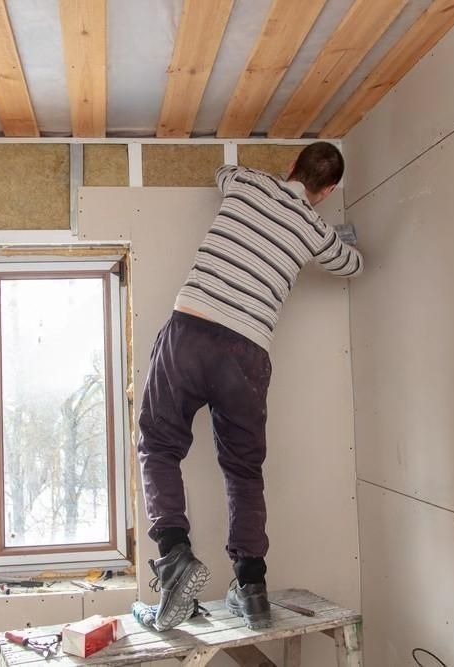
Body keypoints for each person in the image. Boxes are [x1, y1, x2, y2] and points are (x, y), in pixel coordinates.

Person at [131, 142, 364, 632]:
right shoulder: (316, 229)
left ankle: (174, 557)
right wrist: (328, 238)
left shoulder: (248, 182)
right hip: (247, 352)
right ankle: (252, 587)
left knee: (159, 444)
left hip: (192, 328)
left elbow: (222, 172)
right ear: (328, 190)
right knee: (243, 470)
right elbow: (351, 265)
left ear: (291, 166)